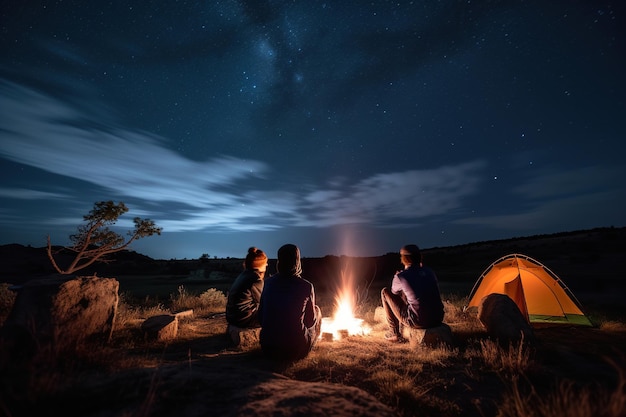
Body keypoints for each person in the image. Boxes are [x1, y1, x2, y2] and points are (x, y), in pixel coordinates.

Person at [258, 243, 322, 360]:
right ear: (297, 261)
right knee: (317, 310)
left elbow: (261, 318)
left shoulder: (268, 283)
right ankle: (311, 343)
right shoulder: (306, 286)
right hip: (295, 349)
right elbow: (310, 322)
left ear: (279, 261)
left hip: (268, 348)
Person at [380, 244, 445, 343]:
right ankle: (400, 329)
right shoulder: (429, 271)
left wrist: (397, 276)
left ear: (404, 259)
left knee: (385, 292)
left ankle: (394, 333)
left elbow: (394, 292)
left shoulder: (401, 276)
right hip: (438, 318)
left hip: (418, 321)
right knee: (409, 292)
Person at [225, 247, 268, 328]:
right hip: (243, 319)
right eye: (265, 263)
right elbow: (263, 302)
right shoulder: (256, 280)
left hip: (232, 317)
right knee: (276, 315)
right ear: (260, 264)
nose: (267, 264)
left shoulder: (244, 275)